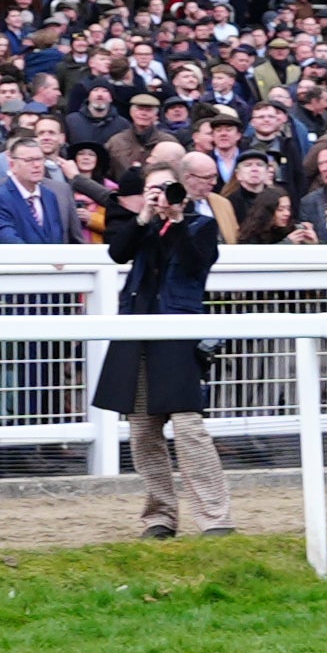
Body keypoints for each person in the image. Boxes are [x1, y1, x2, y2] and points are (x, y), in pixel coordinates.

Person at [90, 155, 230, 538]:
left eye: (169, 188)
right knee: (142, 430)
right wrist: (144, 217)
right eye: (155, 189)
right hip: (137, 333)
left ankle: (215, 519)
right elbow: (117, 253)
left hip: (178, 335)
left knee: (188, 426)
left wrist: (177, 219)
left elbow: (196, 263)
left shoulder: (201, 225)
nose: (163, 195)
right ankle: (159, 518)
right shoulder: (141, 226)